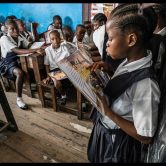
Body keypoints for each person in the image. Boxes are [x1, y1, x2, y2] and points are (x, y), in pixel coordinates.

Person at [87, 6, 161, 163]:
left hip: (118, 148)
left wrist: (108, 113)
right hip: (106, 134)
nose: (107, 44)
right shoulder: (128, 62)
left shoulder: (146, 85)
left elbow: (146, 136)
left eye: (110, 38)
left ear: (131, 40)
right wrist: (109, 73)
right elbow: (126, 90)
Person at [0, 19, 43, 110]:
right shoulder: (4, 39)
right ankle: (19, 99)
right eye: (12, 29)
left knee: (34, 66)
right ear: (6, 30)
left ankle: (35, 87)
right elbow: (16, 50)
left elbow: (28, 45)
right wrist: (35, 50)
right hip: (7, 63)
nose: (15, 30)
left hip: (19, 60)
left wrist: (36, 45)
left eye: (16, 28)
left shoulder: (19, 36)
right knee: (20, 73)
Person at [43, 30, 70, 105]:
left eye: (57, 38)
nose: (55, 41)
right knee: (56, 82)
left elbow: (69, 61)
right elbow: (46, 64)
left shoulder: (65, 48)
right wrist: (48, 76)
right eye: (52, 39)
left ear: (60, 38)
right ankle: (63, 96)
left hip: (65, 68)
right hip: (54, 70)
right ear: (50, 40)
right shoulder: (47, 50)